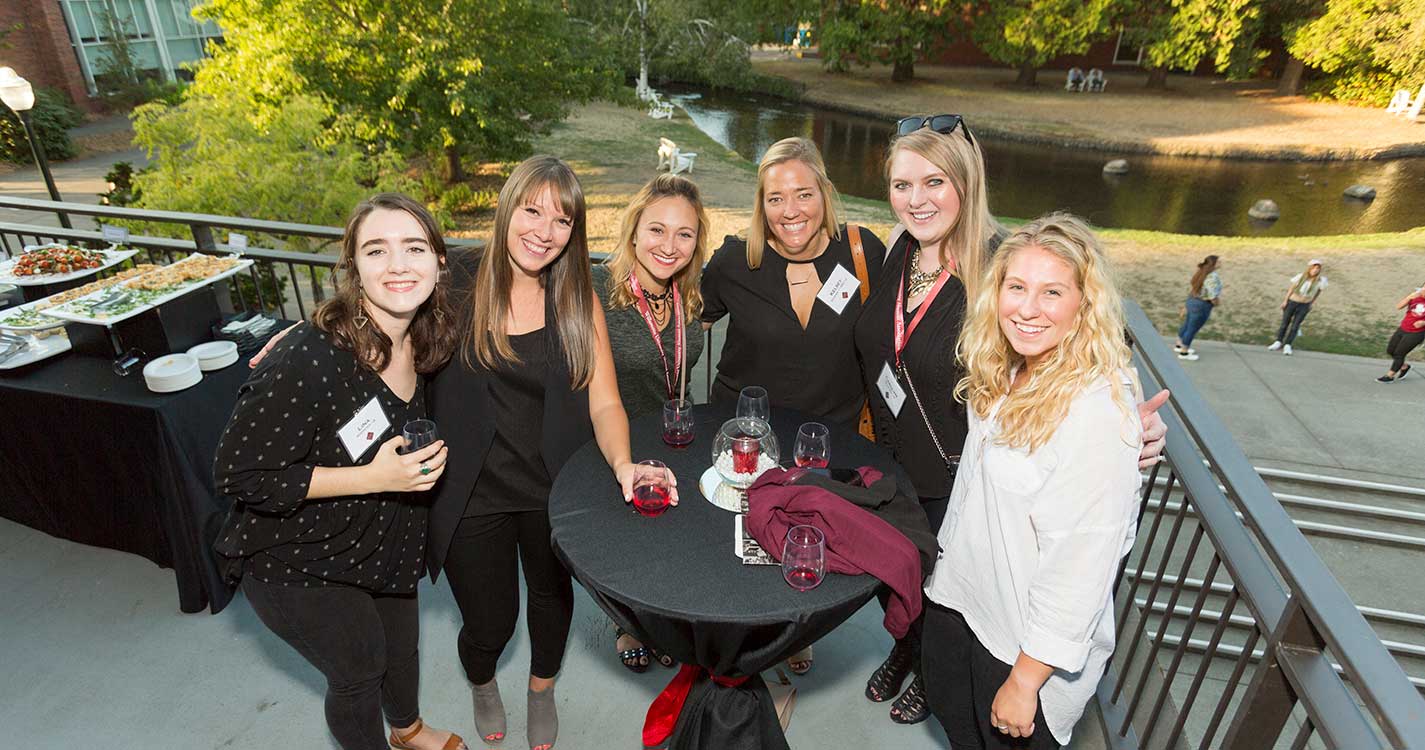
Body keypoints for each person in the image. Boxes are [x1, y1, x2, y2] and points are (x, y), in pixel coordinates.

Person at [854, 117, 1169, 726]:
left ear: (966, 183)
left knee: (935, 589)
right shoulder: (897, 248)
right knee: (904, 580)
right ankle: (908, 650)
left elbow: (1100, 340)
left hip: (962, 482)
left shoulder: (1003, 263)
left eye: (933, 182)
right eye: (901, 184)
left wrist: (1137, 423)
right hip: (895, 463)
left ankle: (922, 664)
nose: (915, 200)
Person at [213, 194, 466, 750]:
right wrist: (374, 478)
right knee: (359, 668)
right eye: (377, 250)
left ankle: (408, 730)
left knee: (401, 646)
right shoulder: (309, 357)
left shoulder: (423, 334)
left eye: (415, 247)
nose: (398, 265)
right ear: (354, 269)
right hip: (295, 557)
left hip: (380, 534)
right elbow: (240, 476)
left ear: (440, 261)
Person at [430, 155, 643, 750]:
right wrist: (310, 332)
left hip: (553, 485)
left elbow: (604, 404)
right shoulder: (453, 282)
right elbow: (378, 308)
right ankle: (481, 678)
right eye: (532, 210)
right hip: (469, 489)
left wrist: (623, 465)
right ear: (507, 207)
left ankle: (542, 689)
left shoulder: (578, 300)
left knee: (551, 598)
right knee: (489, 621)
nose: (543, 231)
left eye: (562, 221)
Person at [922, 213, 1143, 750]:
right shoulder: (1006, 368)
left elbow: (1081, 566)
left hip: (1021, 649)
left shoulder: (1095, 411)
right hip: (961, 603)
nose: (1026, 308)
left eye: (1052, 292)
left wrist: (1025, 681)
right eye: (1016, 287)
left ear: (1083, 305)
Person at [701, 136, 887, 675]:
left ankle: (792, 630)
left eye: (803, 194)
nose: (791, 211)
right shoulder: (735, 261)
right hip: (746, 441)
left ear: (825, 194)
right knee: (741, 542)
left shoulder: (862, 252)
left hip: (827, 439)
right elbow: (688, 317)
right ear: (761, 205)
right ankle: (733, 634)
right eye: (775, 198)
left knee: (806, 540)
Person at [591, 173, 710, 671]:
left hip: (670, 438)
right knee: (625, 546)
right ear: (634, 229)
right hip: (608, 440)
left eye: (684, 234)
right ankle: (628, 623)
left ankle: (659, 619)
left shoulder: (690, 292)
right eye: (657, 230)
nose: (670, 245)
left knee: (664, 540)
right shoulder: (597, 287)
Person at [1268, 259, 1327, 355]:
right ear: (1309, 268)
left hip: (1305, 305)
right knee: (1284, 323)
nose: (1315, 270)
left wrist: (1312, 303)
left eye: (1318, 268)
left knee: (1295, 326)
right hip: (1292, 302)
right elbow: (1291, 289)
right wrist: (1285, 301)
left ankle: (1288, 345)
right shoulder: (1301, 277)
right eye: (1314, 268)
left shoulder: (1321, 280)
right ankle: (1278, 342)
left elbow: (1318, 292)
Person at [1173, 255, 1222, 361]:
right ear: (1213, 264)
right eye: (1219, 262)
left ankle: (1179, 344)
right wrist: (1216, 303)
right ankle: (1184, 351)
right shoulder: (1212, 277)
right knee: (1193, 328)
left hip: (1192, 300)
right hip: (1201, 305)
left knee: (1187, 324)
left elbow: (1194, 288)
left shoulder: (1201, 272)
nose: (1221, 263)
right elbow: (1212, 295)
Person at [1378, 282, 1425, 383]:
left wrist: (1423, 322)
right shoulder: (1415, 297)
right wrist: (1409, 297)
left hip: (1416, 333)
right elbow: (1398, 306)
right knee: (1390, 350)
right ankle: (1404, 366)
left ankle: (1389, 376)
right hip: (1403, 328)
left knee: (1399, 354)